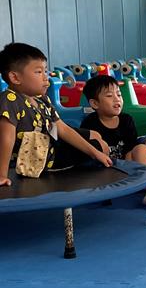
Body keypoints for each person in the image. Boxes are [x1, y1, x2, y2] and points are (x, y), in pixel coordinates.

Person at [0, 42, 112, 186]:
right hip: (43, 160)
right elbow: (6, 138)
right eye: (38, 72)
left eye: (45, 71)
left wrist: (94, 153)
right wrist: (2, 175)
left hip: (51, 142)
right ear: (15, 78)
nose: (45, 77)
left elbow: (62, 128)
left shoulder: (41, 99)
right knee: (100, 146)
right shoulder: (10, 100)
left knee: (95, 135)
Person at [80, 75, 146, 167]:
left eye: (119, 94)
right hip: (104, 164)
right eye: (109, 96)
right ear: (95, 103)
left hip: (126, 160)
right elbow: (88, 152)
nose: (117, 99)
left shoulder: (126, 120)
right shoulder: (90, 123)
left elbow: (131, 148)